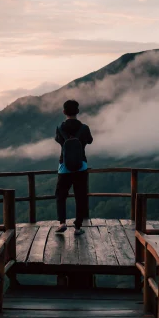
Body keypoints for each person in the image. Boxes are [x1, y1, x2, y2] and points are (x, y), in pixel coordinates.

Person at [55, 99, 93, 234]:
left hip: (64, 166)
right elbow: (90, 140)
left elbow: (58, 140)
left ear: (64, 112)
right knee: (80, 196)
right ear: (77, 111)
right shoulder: (84, 128)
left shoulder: (60, 128)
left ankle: (62, 223)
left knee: (61, 195)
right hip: (81, 166)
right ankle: (77, 227)